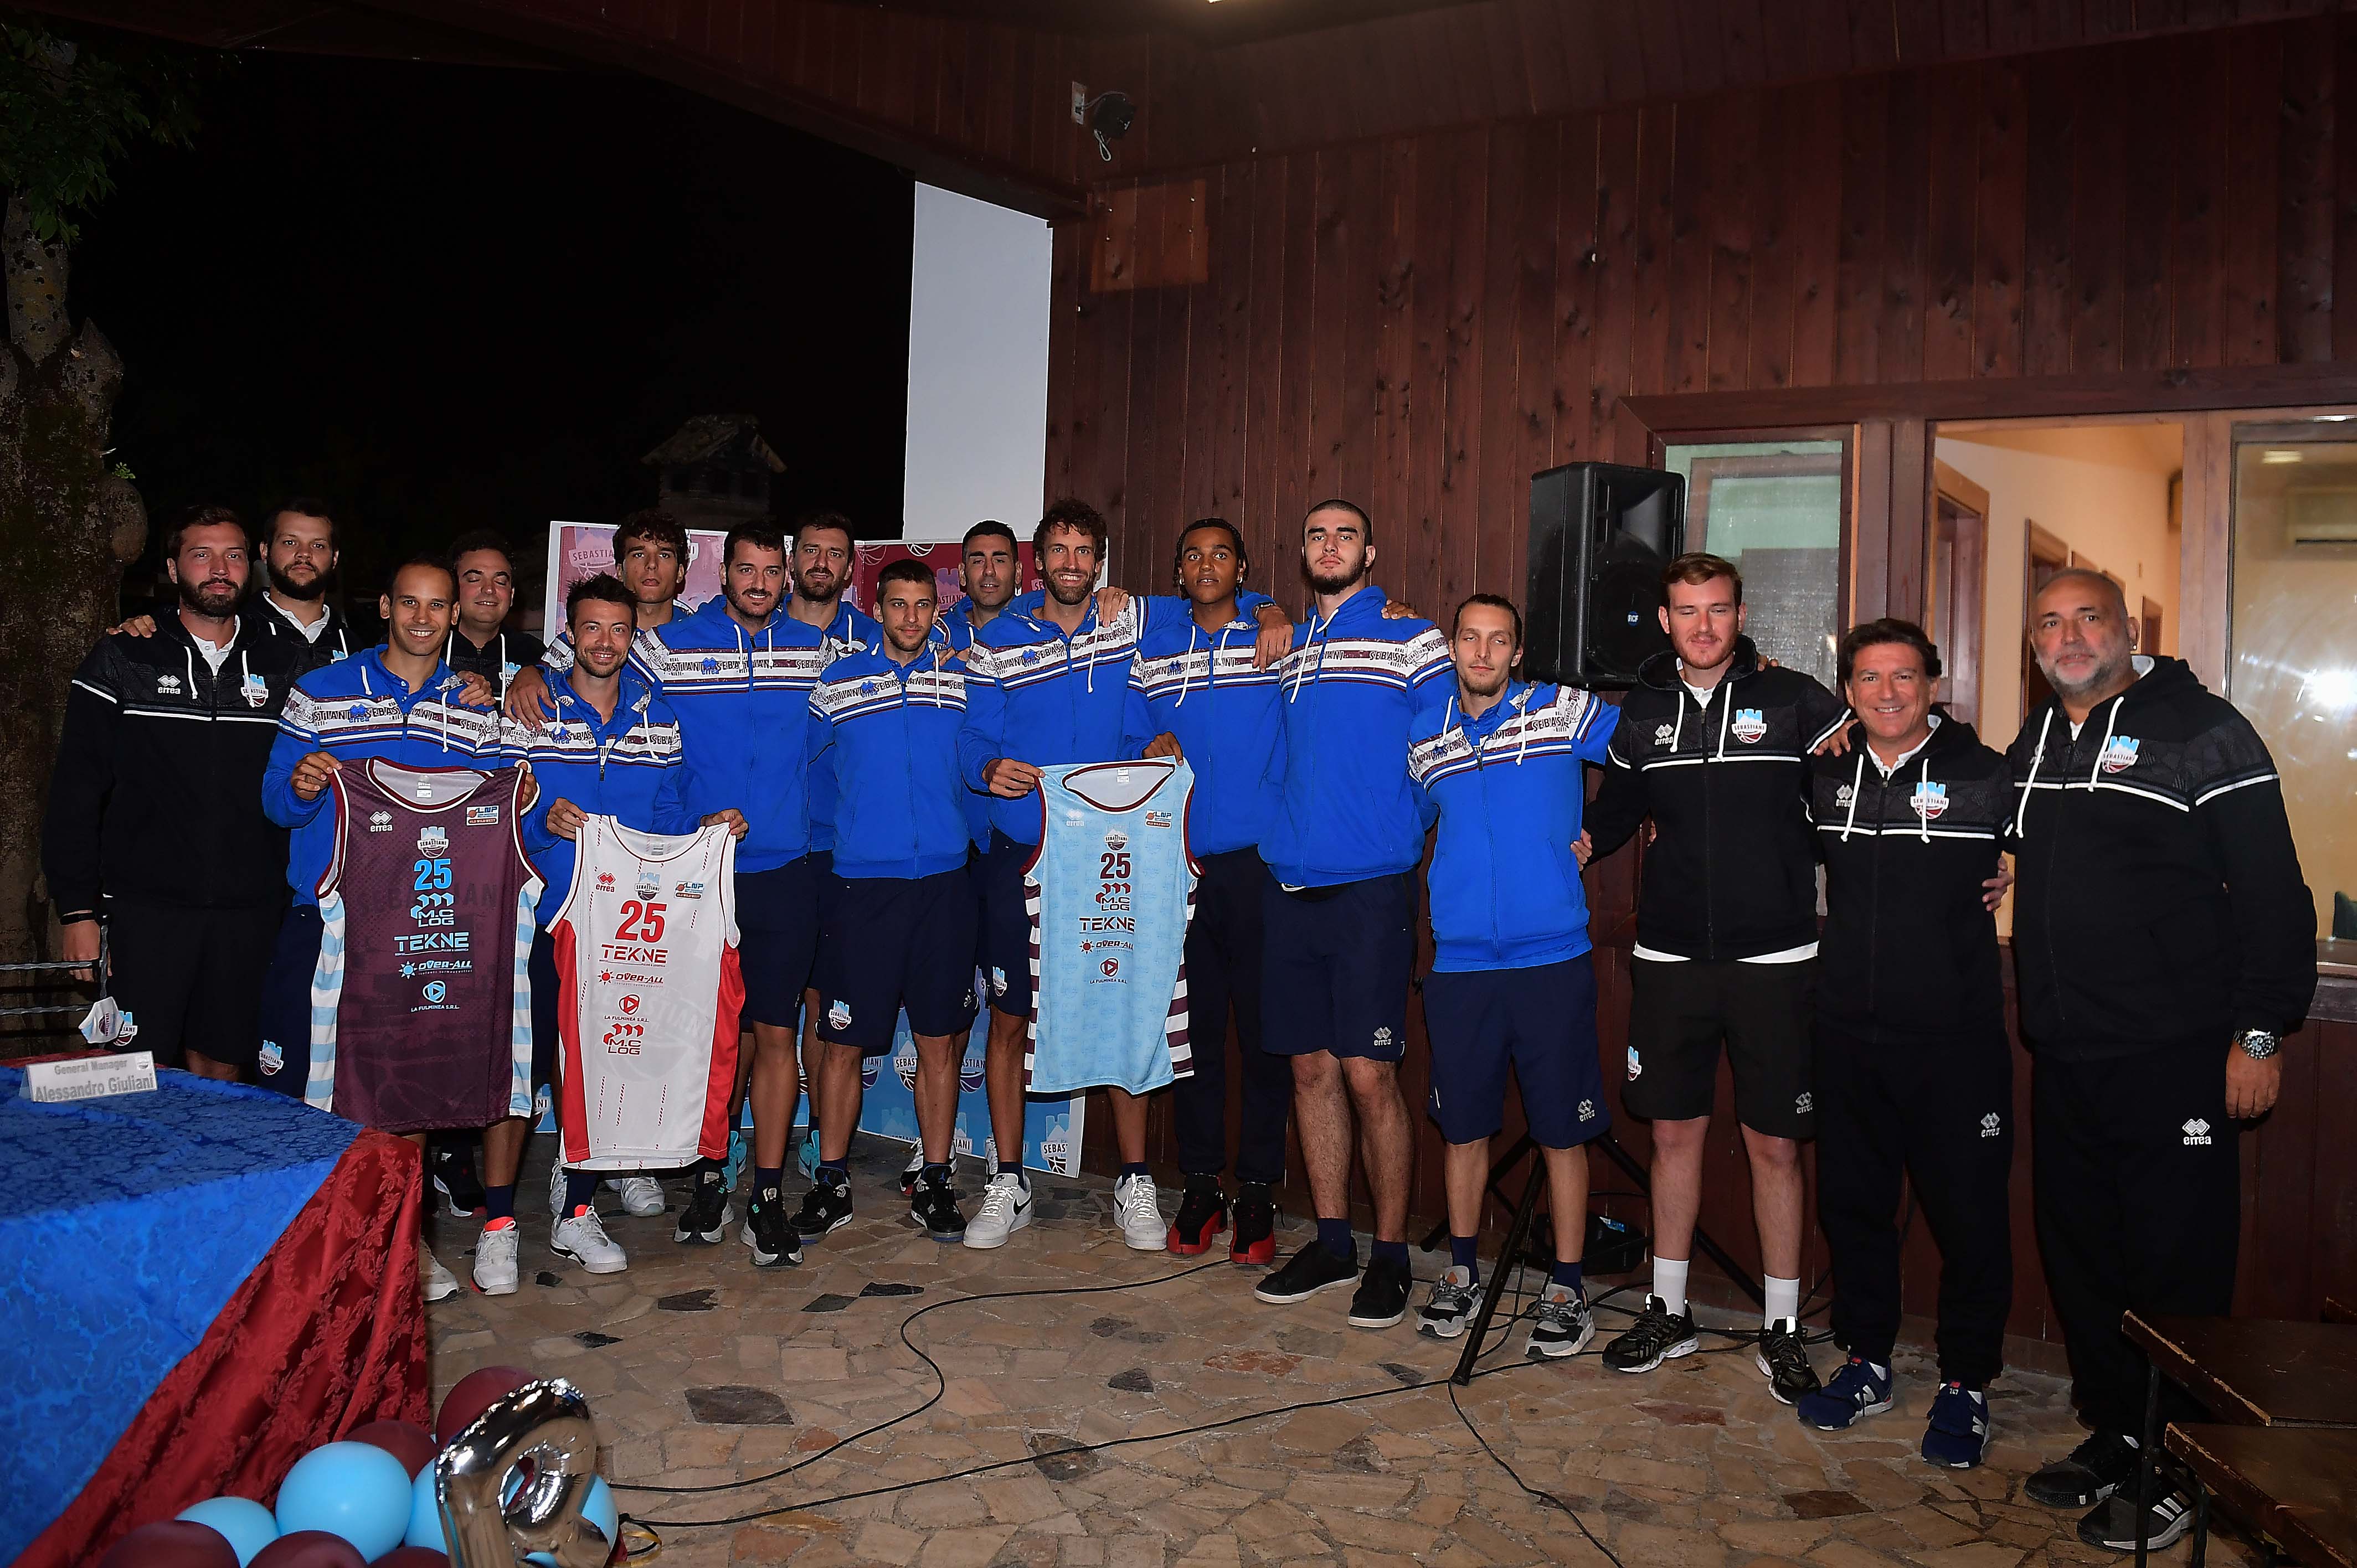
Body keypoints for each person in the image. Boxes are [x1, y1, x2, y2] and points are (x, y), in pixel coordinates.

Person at [2006, 570, 2313, 1554]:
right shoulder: (2037, 738)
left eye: (2088, 617)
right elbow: (1999, 825)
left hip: (2176, 1055)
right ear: (2033, 643)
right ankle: (2119, 1430)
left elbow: (2274, 894)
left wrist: (2259, 1034)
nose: (2069, 636)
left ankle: (2181, 1459)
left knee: (2176, 1264)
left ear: (2128, 629)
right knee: (2085, 1256)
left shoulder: (2205, 729)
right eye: (2050, 623)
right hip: (2067, 1052)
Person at [1582, 551, 1847, 1402]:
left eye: (1719, 610)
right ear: (1666, 621)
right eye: (1687, 612)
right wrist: (1559, 847)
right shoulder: (1642, 713)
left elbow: (1864, 791)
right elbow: (1611, 819)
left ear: (1741, 615)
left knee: (1776, 1146)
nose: (1703, 626)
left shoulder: (1798, 701)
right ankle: (1669, 1310)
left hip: (1776, 958)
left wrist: (1979, 862)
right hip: (1669, 959)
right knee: (1672, 1137)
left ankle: (1783, 1325)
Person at [955, 499, 1218, 1250]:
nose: (1071, 564)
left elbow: (1214, 594)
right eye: (1059, 551)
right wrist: (986, 767)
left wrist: (1153, 741)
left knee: (1125, 1005)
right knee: (1011, 1018)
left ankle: (1134, 1180)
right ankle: (1010, 1179)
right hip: (1022, 854)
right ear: (1038, 563)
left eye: (1084, 552)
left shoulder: (1124, 628)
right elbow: (970, 735)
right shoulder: (995, 642)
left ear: (1099, 563)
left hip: (1112, 857)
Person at [260, 555, 510, 1301]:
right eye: (409, 603)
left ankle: (405, 1246)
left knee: (407, 1089)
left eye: (436, 606)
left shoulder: (476, 709)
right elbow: (275, 801)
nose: (422, 619)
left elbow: (497, 813)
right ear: (384, 606)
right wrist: (302, 786)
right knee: (315, 1088)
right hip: (329, 916)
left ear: (454, 615)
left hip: (423, 925)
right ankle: (312, 1244)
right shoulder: (322, 690)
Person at [1798, 618, 2015, 1467]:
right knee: (1854, 1206)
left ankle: (1966, 1381)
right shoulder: (1823, 773)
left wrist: (2016, 867)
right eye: (1868, 678)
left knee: (1970, 1215)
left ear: (1933, 685)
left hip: (1956, 1038)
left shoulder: (1987, 774)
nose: (1886, 693)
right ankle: (1867, 1361)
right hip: (1848, 1031)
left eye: (1903, 677)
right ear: (1848, 691)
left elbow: (2071, 849)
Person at [1249, 499, 1452, 1332]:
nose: (1329, 546)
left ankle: (1391, 1254)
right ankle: (1333, 1243)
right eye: (1315, 535)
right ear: (1301, 553)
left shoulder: (1413, 637)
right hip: (1290, 884)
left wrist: (1397, 827)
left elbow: (1445, 744)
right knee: (1310, 1071)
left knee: (1370, 1074)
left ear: (1370, 552)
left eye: (1345, 535)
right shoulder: (1290, 644)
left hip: (1371, 885)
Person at [1405, 593, 1619, 1356]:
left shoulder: (1561, 709)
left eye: (1498, 641)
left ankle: (1567, 1285)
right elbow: (1406, 823)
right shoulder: (1423, 733)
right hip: (1460, 963)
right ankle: (1460, 1271)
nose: (1483, 652)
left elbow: (1646, 753)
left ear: (1517, 653)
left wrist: (1603, 830)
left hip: (1551, 958)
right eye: (1470, 638)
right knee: (1462, 1128)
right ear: (1452, 648)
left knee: (1562, 1131)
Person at [43, 505, 310, 1081]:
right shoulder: (125, 655)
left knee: (223, 1064)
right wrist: (78, 910)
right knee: (134, 1069)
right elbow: (75, 791)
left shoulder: (286, 663)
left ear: (251, 568)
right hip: (143, 909)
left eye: (234, 555)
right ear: (172, 569)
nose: (220, 569)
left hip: (250, 909)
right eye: (201, 555)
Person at [637, 522, 832, 1270]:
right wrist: (530, 673)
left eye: (770, 571)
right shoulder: (668, 648)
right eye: (745, 569)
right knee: (708, 1039)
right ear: (722, 575)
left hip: (786, 872)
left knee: (777, 1034)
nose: (759, 582)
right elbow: (601, 685)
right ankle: (710, 1178)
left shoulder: (814, 651)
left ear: (786, 578)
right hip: (698, 870)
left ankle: (768, 1195)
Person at [505, 572, 694, 1274]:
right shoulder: (529, 708)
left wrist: (701, 834)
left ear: (632, 636)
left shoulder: (658, 716)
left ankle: (583, 1191)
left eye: (619, 629)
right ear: (570, 633)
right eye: (591, 628)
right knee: (548, 1062)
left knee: (614, 1058)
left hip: (628, 926)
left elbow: (669, 813)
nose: (606, 642)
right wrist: (539, 824)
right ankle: (550, 1196)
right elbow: (495, 810)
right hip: (546, 915)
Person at [1125, 519, 1294, 1263]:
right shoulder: (1152, 651)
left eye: (1221, 554)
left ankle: (1256, 1191)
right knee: (1191, 1037)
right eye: (1192, 555)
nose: (1206, 565)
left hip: (1259, 865)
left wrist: (1269, 609)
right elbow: (1128, 734)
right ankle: (1200, 1185)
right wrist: (1145, 743)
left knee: (1262, 1035)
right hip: (1179, 865)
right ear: (1177, 571)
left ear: (1243, 570)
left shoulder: (1275, 640)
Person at [804, 559, 979, 1242]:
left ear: (938, 610)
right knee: (842, 1043)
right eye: (897, 605)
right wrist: (844, 845)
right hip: (861, 887)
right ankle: (830, 1180)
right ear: (875, 610)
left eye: (922, 605)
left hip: (944, 884)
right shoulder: (836, 684)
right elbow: (815, 778)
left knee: (937, 1042)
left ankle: (934, 1180)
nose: (910, 617)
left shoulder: (959, 680)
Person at [506, 509, 691, 721]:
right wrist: (529, 674)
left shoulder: (702, 638)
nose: (651, 565)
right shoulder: (577, 641)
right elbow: (542, 679)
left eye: (664, 555)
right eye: (639, 554)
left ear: (680, 572)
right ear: (620, 570)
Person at [251, 498, 357, 663]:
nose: (304, 553)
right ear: (265, 551)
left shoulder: (356, 652)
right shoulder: (236, 634)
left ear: (335, 558)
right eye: (290, 542)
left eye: (318, 545)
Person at [445, 530, 547, 696]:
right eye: (474, 579)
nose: (489, 589)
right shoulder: (431, 647)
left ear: (512, 596)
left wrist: (535, 672)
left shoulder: (534, 654)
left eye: (500, 582)